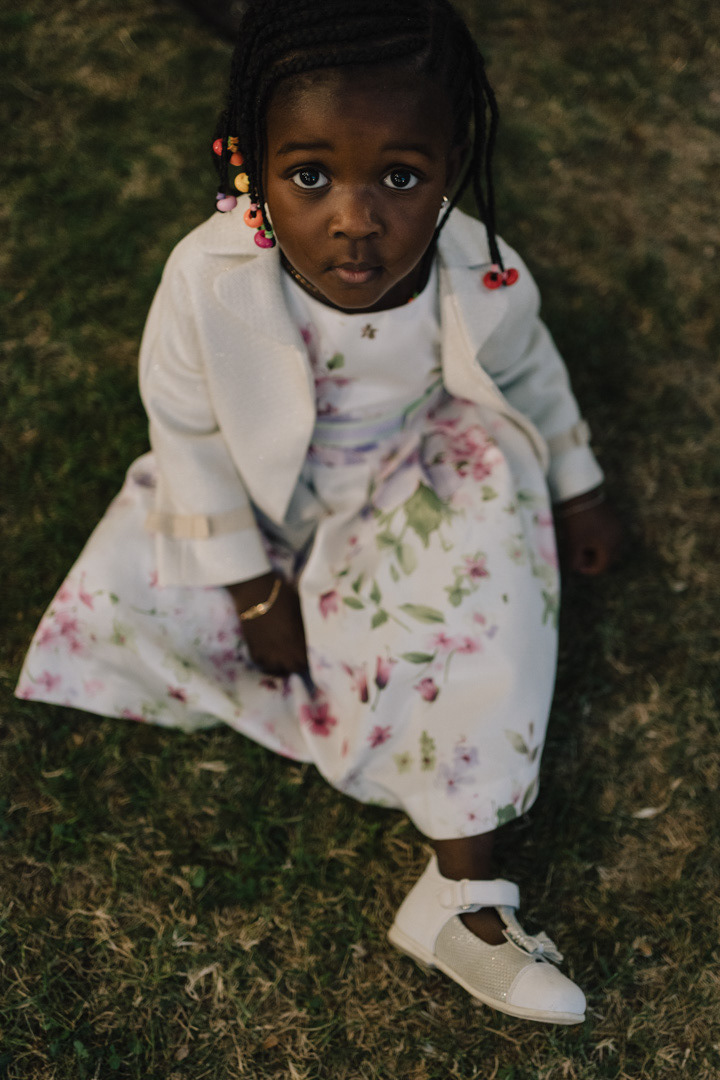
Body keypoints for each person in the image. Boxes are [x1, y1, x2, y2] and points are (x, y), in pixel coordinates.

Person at [16, 0, 622, 1024]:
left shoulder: (481, 272)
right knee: (162, 602)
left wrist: (580, 483)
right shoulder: (207, 278)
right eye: (309, 176)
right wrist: (253, 592)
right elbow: (188, 433)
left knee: (487, 591)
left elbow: (531, 374)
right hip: (257, 501)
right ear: (249, 165)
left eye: (402, 177)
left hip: (405, 475)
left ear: (452, 163)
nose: (356, 218)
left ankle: (464, 896)